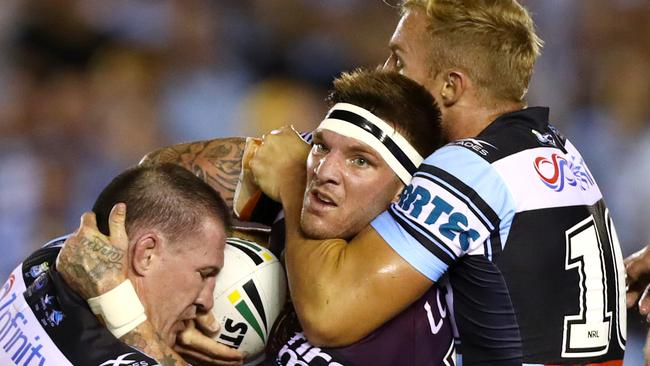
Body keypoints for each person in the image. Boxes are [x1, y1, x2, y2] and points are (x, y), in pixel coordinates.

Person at [248, 0, 627, 365]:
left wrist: (295, 177)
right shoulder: (558, 150)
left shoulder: (469, 167)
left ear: (450, 86)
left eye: (398, 60)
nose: (384, 70)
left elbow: (330, 314)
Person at [0, 163, 232, 365]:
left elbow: (143, 185)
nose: (207, 301)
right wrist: (119, 306)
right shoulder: (94, 354)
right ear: (146, 254)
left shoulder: (43, 260)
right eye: (204, 273)